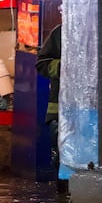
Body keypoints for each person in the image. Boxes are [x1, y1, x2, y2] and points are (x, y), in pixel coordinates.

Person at [35, 24, 61, 178]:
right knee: (61, 155)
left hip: (93, 113)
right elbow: (41, 64)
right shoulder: (59, 32)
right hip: (59, 112)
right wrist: (66, 66)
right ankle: (63, 194)